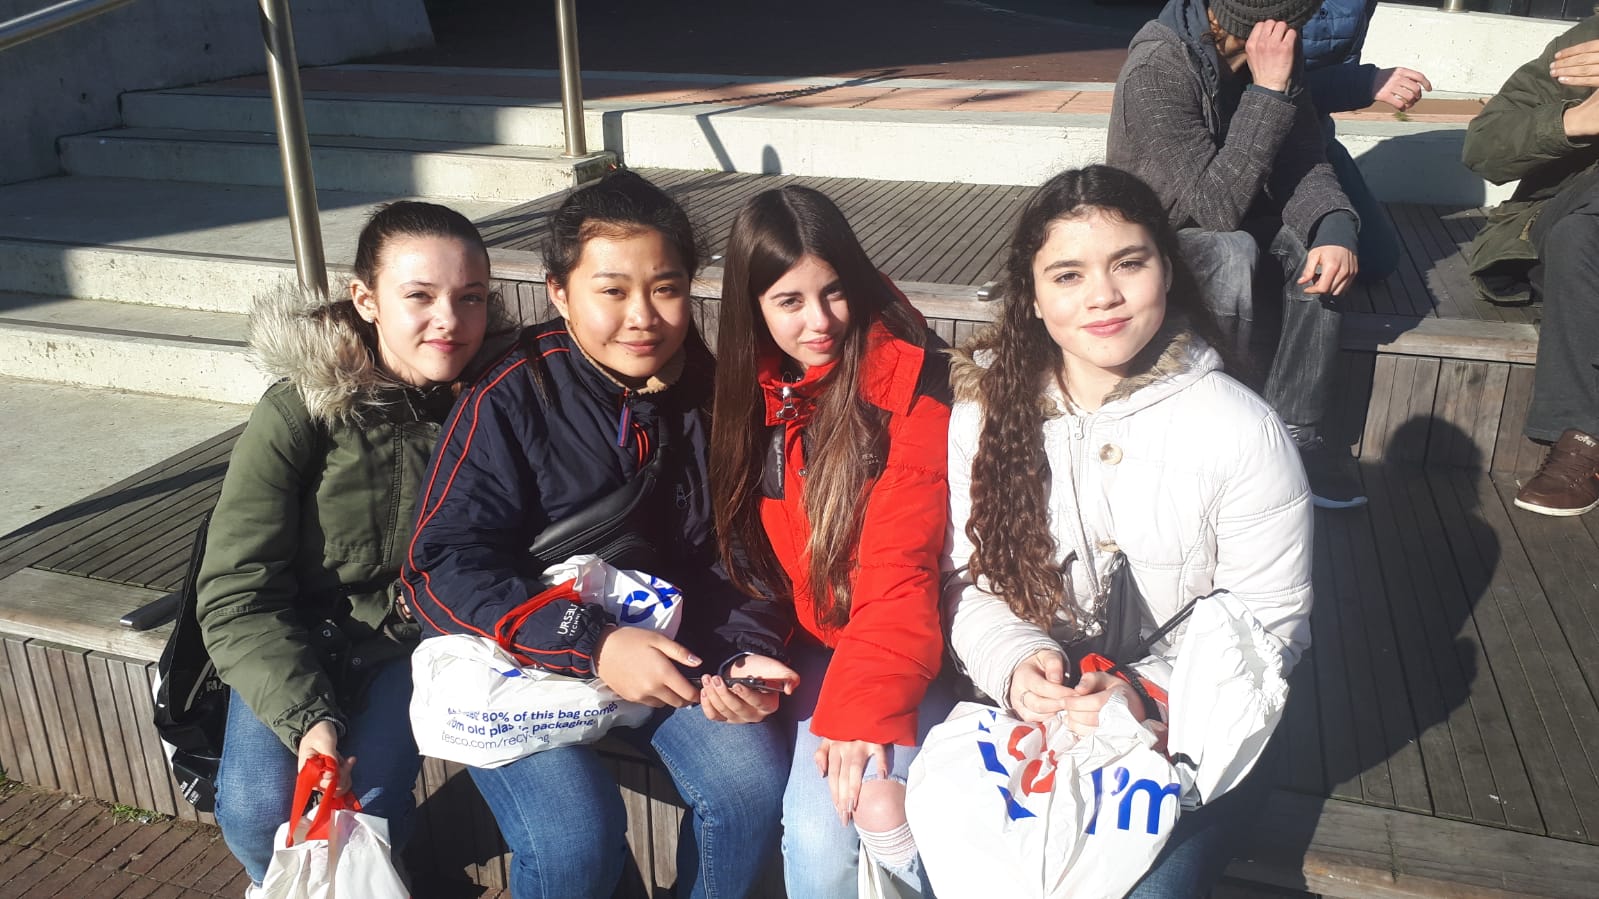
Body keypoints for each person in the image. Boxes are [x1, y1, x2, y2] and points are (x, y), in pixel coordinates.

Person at [402, 170, 795, 899]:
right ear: (559, 291)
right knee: (573, 835)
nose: (643, 316)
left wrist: (741, 653)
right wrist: (594, 642)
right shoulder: (511, 394)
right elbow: (441, 564)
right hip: (521, 660)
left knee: (748, 782)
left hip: (670, 649)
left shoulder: (714, 393)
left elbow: (742, 550)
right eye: (612, 290)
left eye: (667, 288)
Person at [941, 165, 1313, 896]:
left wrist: (1142, 691)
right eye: (1067, 275)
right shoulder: (983, 415)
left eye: (1128, 264)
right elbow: (966, 578)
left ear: (1166, 271)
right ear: (1032, 296)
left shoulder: (1241, 429)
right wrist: (1015, 659)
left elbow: (1270, 625)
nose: (1102, 295)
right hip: (1032, 716)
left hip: (1196, 727)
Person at [197, 201, 505, 892]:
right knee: (255, 812)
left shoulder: (495, 403)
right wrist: (310, 718)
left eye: (471, 297)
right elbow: (238, 589)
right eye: (419, 295)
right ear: (366, 299)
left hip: (413, 637)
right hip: (294, 629)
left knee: (366, 809)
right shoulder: (301, 409)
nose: (449, 320)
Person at [709, 187, 953, 896]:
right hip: (819, 650)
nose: (819, 321)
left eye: (834, 292)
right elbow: (743, 557)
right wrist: (737, 649)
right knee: (815, 841)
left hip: (916, 650)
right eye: (789, 301)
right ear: (753, 307)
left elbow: (902, 561)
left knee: (854, 824)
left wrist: (864, 710)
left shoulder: (911, 389)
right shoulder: (756, 396)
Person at [1108, 0, 1366, 508]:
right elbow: (1214, 209)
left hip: (1241, 214)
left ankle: (1295, 436)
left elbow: (1303, 159)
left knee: (1315, 250)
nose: (1303, 30)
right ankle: (1214, 432)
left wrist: (1334, 228)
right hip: (1152, 237)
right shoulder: (1157, 67)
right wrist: (1268, 92)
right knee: (1232, 250)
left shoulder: (1276, 53)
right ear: (1259, 22)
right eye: (1298, 19)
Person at [1462, 13, 1599, 517]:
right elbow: (1483, 147)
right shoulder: (1586, 44)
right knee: (1578, 234)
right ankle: (1582, 436)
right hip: (1567, 226)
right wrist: (1573, 121)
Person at [1301, 0, 1431, 282]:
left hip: (1315, 139)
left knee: (1376, 258)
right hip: (1246, 140)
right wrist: (1364, 83)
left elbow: (1341, 68)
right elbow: (1252, 86)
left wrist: (1363, 83)